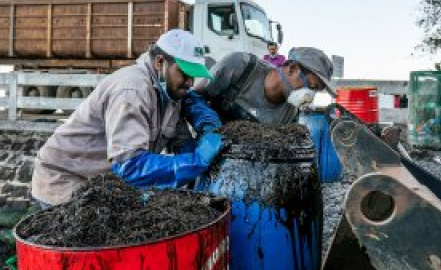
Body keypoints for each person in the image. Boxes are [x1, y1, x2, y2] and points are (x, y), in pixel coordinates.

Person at [31, 29, 223, 207]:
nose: (190, 83)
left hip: (102, 183)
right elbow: (130, 167)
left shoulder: (169, 94)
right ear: (159, 62)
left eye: (195, 76)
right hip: (65, 180)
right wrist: (196, 161)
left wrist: (207, 137)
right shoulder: (131, 91)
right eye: (185, 73)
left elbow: (182, 141)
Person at [194, 47, 337, 124]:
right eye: (311, 87)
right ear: (292, 69)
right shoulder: (240, 66)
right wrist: (207, 126)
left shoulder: (290, 114)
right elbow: (193, 98)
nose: (310, 97)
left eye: (315, 91)